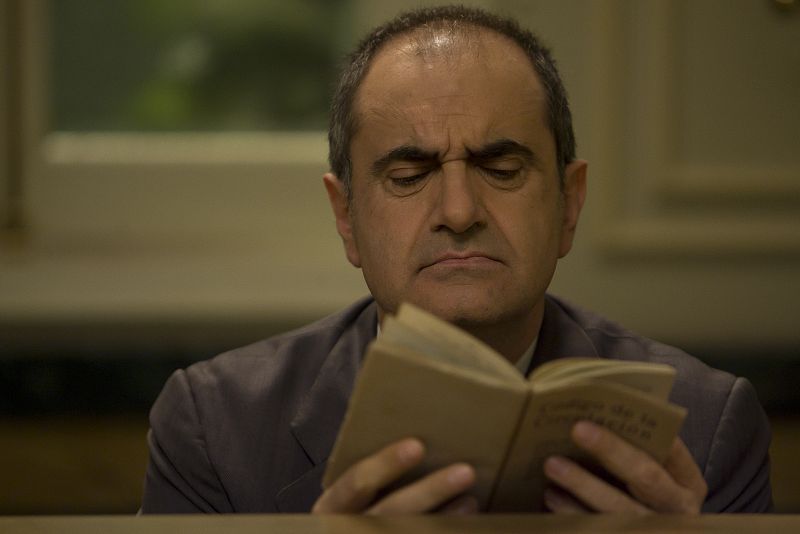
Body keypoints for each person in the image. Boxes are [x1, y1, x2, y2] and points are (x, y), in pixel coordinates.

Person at [140, 5, 772, 514]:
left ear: (569, 204)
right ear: (346, 217)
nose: (460, 210)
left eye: (502, 168)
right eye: (409, 175)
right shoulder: (215, 426)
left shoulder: (709, 427)